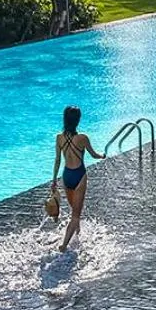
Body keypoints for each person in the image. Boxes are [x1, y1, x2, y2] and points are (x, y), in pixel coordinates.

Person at [52, 106, 103, 252]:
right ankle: (64, 245)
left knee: (75, 209)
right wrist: (102, 156)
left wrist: (54, 180)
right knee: (75, 215)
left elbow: (57, 160)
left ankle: (77, 235)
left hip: (66, 176)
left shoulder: (59, 138)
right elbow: (93, 155)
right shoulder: (82, 138)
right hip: (79, 176)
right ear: (77, 120)